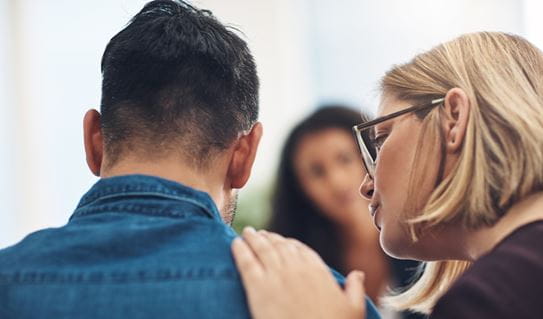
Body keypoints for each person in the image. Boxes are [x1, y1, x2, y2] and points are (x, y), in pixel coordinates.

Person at [231, 31, 543, 319]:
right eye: (316, 172)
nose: (364, 186)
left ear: (454, 119)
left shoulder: (486, 300)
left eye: (379, 141)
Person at [268, 106, 390, 302]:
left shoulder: (423, 241)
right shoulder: (294, 264)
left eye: (345, 159)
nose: (337, 182)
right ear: (299, 188)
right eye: (317, 172)